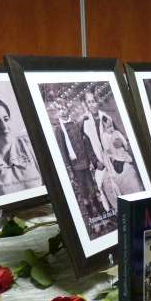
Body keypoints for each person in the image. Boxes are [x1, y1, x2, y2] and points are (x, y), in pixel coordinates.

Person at [52, 98, 102, 233]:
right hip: (75, 168)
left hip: (85, 163)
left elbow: (85, 142)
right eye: (59, 109)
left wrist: (93, 160)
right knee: (85, 194)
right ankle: (93, 221)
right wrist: (69, 169)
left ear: (67, 108)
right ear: (57, 112)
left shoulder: (75, 123)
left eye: (64, 107)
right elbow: (63, 151)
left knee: (93, 190)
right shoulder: (59, 129)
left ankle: (102, 218)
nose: (62, 111)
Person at [82, 91, 120, 212]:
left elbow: (116, 134)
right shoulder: (85, 123)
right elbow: (87, 146)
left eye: (93, 101)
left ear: (97, 102)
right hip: (100, 161)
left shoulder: (105, 117)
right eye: (89, 102)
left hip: (112, 157)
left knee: (119, 183)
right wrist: (95, 161)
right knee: (107, 186)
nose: (92, 104)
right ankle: (117, 210)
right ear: (86, 105)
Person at [100, 115, 143, 195]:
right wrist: (112, 153)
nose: (111, 129)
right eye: (108, 127)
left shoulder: (117, 132)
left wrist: (123, 145)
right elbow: (107, 150)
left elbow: (124, 143)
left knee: (130, 167)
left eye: (111, 126)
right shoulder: (104, 136)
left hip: (122, 153)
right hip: (114, 156)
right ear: (104, 128)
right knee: (119, 171)